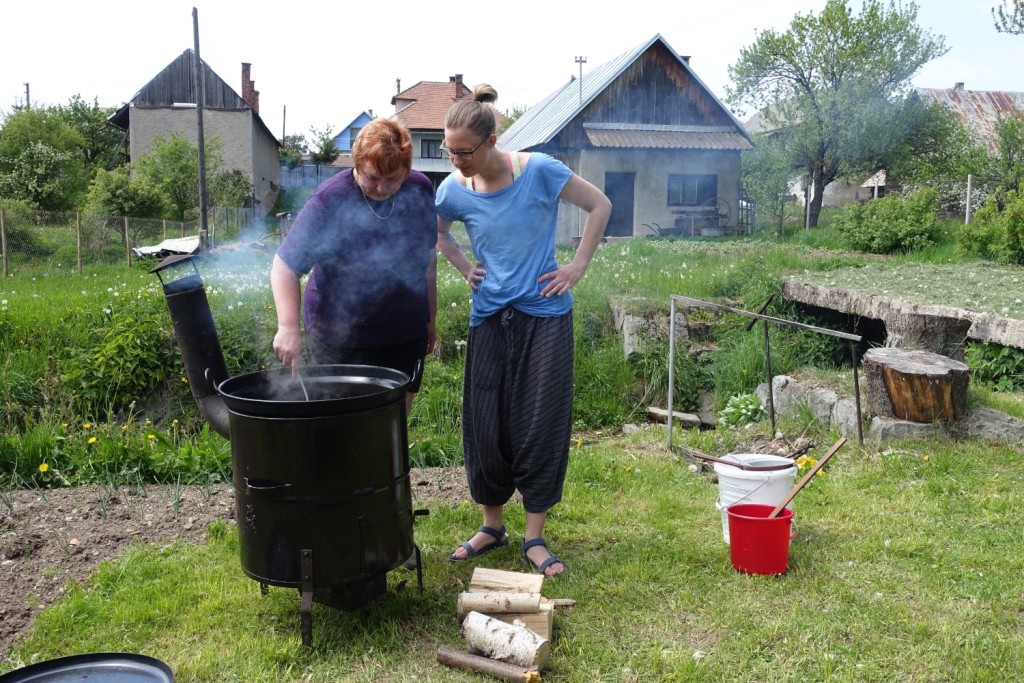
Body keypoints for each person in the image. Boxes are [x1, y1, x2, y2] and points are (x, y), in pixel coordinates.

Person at [435, 84, 611, 577]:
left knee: (540, 421)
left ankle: (533, 535)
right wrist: (463, 267)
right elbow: (440, 231)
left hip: (545, 315)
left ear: (491, 142)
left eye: (464, 151)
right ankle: (491, 525)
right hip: (489, 317)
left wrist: (577, 265)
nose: (456, 160)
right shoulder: (453, 189)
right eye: (451, 152)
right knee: (485, 422)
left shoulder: (539, 171)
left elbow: (599, 206)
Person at [271, 118, 437, 412]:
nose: (382, 188)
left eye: (393, 180)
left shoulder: (421, 190)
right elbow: (285, 266)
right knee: (339, 427)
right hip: (338, 339)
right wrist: (287, 327)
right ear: (357, 164)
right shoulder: (328, 201)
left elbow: (427, 260)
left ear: (407, 170)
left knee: (393, 422)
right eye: (373, 177)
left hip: (403, 332)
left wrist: (430, 319)